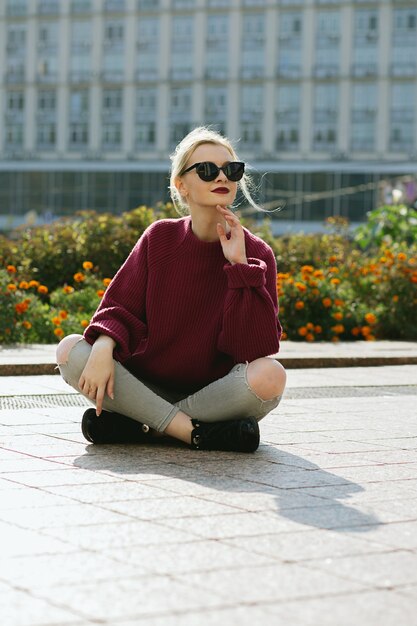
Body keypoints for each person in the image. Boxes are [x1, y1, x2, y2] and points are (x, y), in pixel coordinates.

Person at [56, 127, 286, 453]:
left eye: (231, 170)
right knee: (71, 350)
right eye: (207, 171)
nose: (221, 177)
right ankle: (193, 431)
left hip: (215, 396)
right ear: (182, 185)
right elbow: (120, 308)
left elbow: (251, 348)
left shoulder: (257, 255)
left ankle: (144, 426)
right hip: (143, 386)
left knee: (270, 376)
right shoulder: (160, 238)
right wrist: (103, 347)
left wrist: (240, 269)